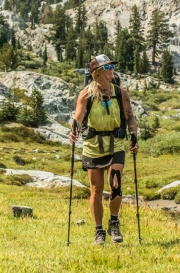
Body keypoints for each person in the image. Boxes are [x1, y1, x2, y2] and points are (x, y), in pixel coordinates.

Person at [69, 54, 138, 245]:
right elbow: (79, 117)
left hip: (115, 143)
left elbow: (130, 117)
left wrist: (133, 135)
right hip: (93, 146)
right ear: (96, 72)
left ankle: (114, 223)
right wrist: (73, 129)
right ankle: (98, 231)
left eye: (111, 67)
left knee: (115, 185)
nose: (111, 70)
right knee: (96, 190)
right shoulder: (86, 94)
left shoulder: (120, 93)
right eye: (107, 68)